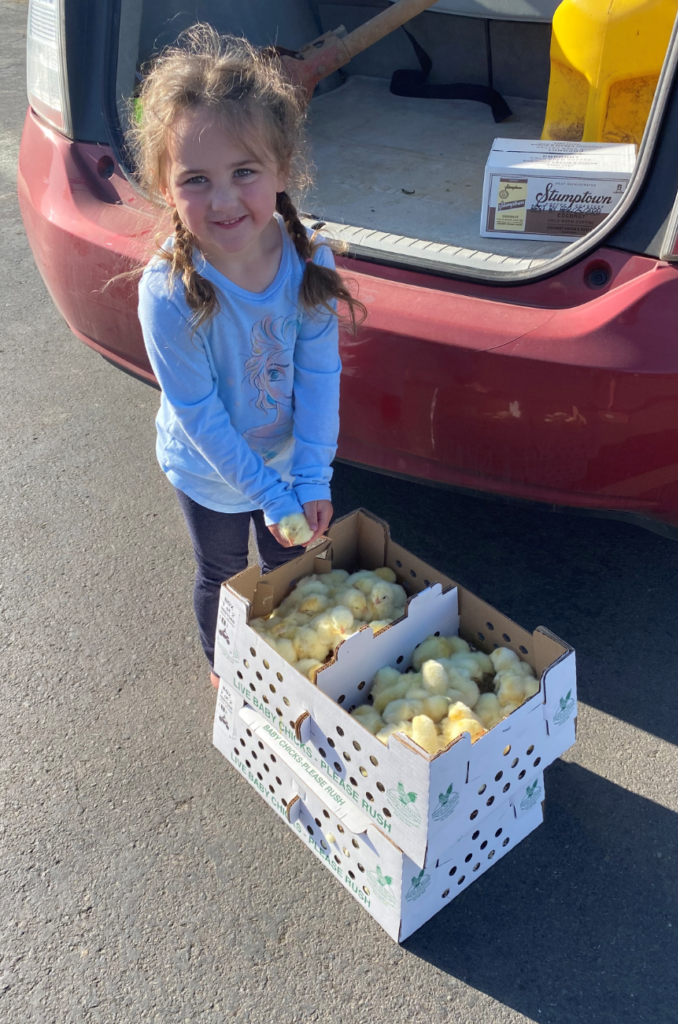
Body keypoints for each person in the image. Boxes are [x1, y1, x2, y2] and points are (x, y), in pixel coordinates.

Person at [130, 24, 365, 688]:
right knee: (223, 573)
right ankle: (224, 669)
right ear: (165, 186)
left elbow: (320, 375)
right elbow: (197, 413)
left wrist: (311, 478)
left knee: (286, 567)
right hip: (209, 473)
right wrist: (264, 490)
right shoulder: (169, 293)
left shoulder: (308, 260)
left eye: (244, 172)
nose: (224, 199)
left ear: (282, 170)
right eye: (196, 179)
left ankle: (285, 662)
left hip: (288, 464)